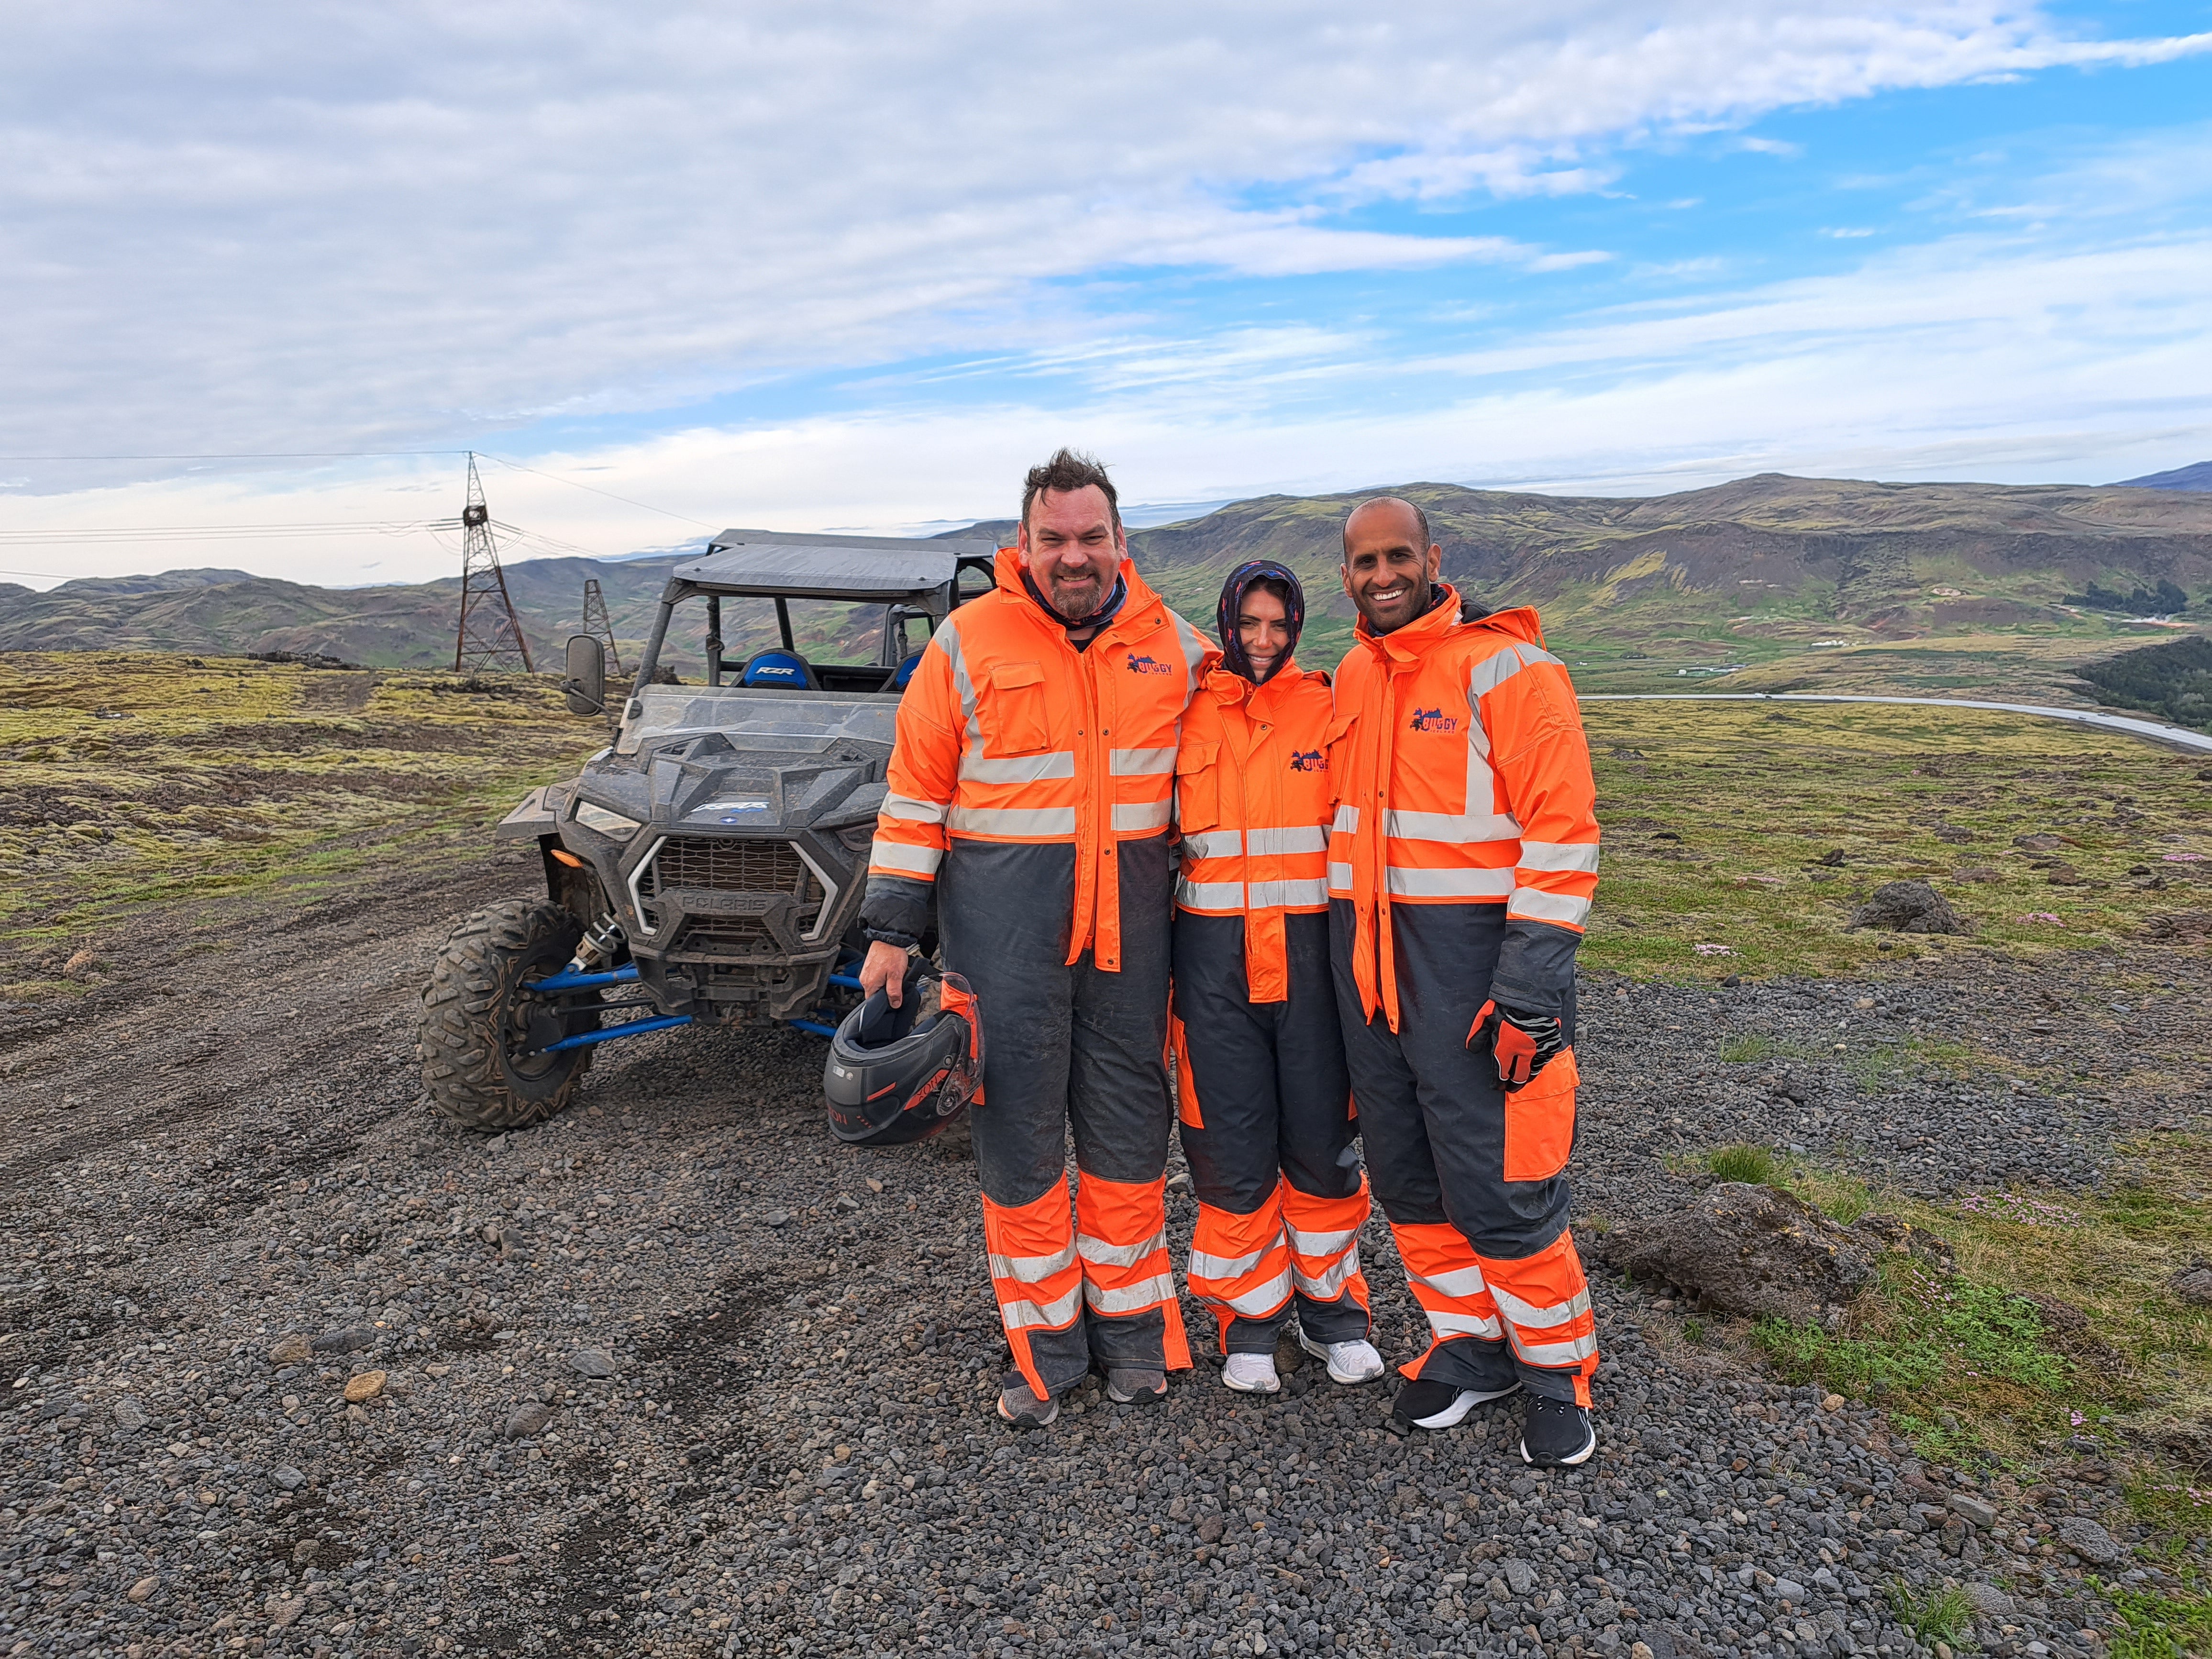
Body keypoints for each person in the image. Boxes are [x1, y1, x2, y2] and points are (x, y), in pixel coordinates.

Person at [858, 448, 1212, 1430]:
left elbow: (1241, 761)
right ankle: (1047, 1350)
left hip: (1133, 946)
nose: (1072, 556)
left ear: (1118, 542)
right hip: (1000, 945)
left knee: (1129, 1141)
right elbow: (916, 793)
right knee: (1017, 1145)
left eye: (1090, 537)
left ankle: (1136, 1337)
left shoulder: (1176, 649)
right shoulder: (967, 646)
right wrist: (891, 930)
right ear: (1023, 544)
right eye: (1052, 539)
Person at [1327, 496, 1604, 1466]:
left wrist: (1527, 993)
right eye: (1363, 562)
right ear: (1346, 573)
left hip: (1481, 983)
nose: (1382, 576)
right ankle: (1472, 1345)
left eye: (1397, 556)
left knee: (1503, 1190)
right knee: (1409, 1186)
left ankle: (1555, 1372)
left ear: (1432, 559)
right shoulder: (1354, 674)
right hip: (1376, 988)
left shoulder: (1513, 671)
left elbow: (1561, 843)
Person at [1170, 561, 1381, 1395]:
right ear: (1227, 623)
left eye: (1277, 626)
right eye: (1249, 624)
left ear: (1296, 628)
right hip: (1214, 970)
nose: (1262, 641)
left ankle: (1337, 1319)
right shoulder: (1186, 711)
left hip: (1310, 970)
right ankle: (1248, 1322)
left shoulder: (1327, 707)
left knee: (1324, 1152)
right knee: (1230, 1153)